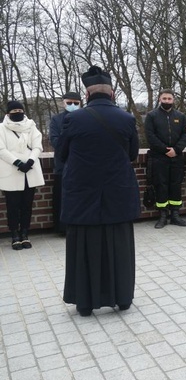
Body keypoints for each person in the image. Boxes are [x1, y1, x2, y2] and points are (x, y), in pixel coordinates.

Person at [60, 65, 140, 317]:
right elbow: (133, 155)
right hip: (118, 192)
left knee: (84, 247)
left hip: (83, 195)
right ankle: (123, 298)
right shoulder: (127, 119)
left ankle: (84, 303)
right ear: (112, 93)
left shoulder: (72, 118)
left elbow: (61, 155)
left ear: (87, 94)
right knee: (119, 246)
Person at [0, 100, 45, 250]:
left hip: (29, 172)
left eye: (20, 111)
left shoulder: (31, 127)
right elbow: (1, 150)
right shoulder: (1, 128)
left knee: (27, 205)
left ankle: (25, 233)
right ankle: (14, 235)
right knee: (12, 206)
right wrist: (18, 163)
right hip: (11, 171)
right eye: (14, 112)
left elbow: (37, 146)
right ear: (8, 114)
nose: (18, 114)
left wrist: (30, 161)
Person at [144, 89, 186, 228]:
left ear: (173, 100)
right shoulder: (151, 116)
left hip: (177, 157)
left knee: (176, 184)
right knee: (161, 185)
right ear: (159, 99)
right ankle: (163, 216)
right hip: (159, 157)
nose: (166, 101)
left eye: (169, 99)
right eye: (164, 99)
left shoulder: (181, 116)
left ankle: (175, 215)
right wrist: (165, 150)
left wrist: (176, 150)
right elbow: (150, 136)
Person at [49, 91, 82, 234]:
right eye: (69, 103)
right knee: (63, 198)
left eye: (76, 103)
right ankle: (63, 228)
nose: (73, 105)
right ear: (63, 103)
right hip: (63, 164)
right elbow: (55, 140)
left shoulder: (86, 117)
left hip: (82, 165)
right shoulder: (56, 120)